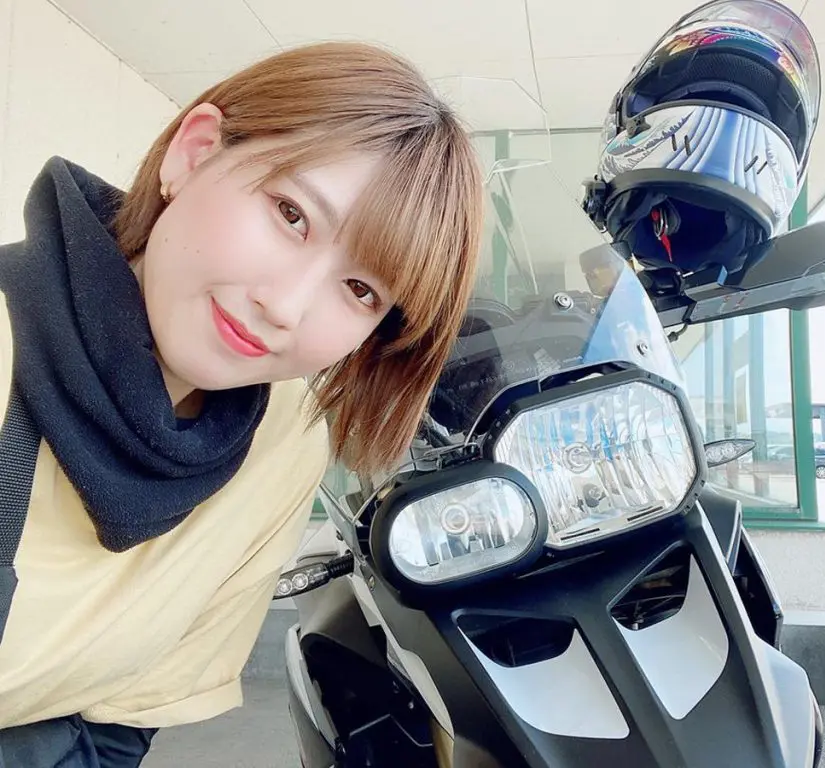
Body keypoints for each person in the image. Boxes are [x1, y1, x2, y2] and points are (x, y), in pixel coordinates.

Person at [0, 40, 483, 766]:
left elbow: (119, 728)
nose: (284, 306)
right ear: (193, 153)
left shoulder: (281, 440)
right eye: (291, 214)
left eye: (360, 290)